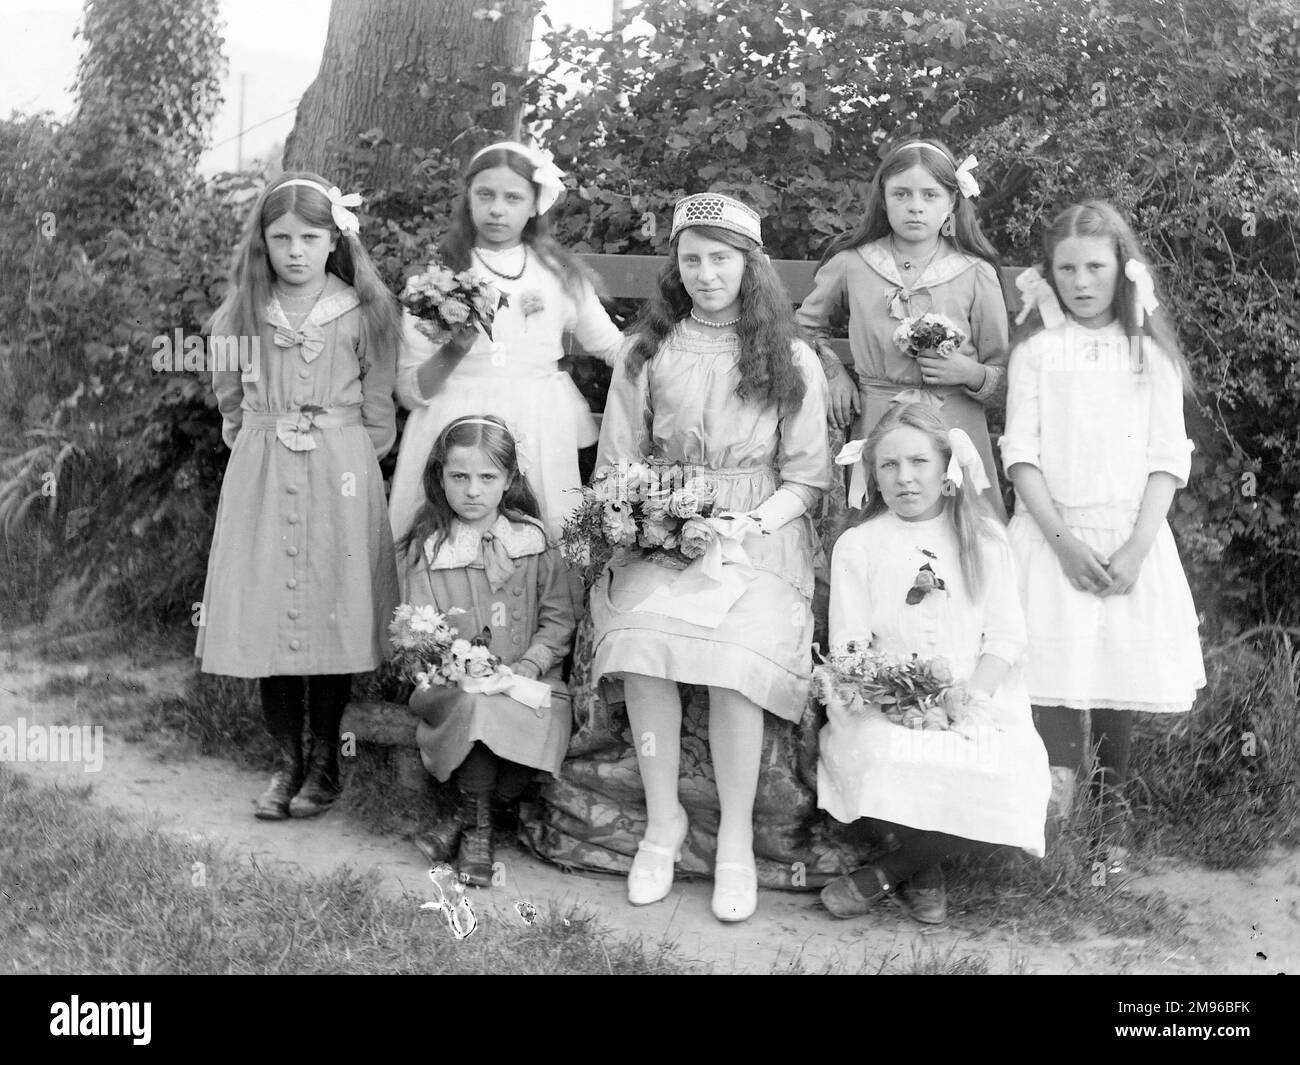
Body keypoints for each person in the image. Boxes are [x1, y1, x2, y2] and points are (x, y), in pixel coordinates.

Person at [557, 192, 834, 924]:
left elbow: (807, 478)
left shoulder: (789, 356)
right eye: (692, 259)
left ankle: (736, 839)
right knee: (643, 643)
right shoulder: (648, 352)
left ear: (752, 266)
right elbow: (617, 464)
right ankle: (661, 822)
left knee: (736, 655)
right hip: (663, 527)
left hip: (760, 533)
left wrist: (747, 523)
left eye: (722, 259)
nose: (707, 273)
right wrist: (644, 518)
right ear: (675, 268)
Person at [999, 201, 1205, 868]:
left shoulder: (1149, 355)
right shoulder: (1036, 352)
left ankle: (1113, 817)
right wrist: (1060, 540)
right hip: (1052, 534)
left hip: (1127, 536)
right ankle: (1057, 816)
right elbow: (1020, 454)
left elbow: (1167, 457)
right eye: (1067, 268)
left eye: (1095, 266)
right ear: (1049, 274)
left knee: (1116, 672)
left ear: (1122, 268)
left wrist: (1138, 546)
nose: (1082, 281)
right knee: (1055, 671)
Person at [196, 172, 402, 820]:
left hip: (339, 472)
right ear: (261, 242)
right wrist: (264, 437)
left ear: (332, 238)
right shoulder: (239, 314)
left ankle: (325, 761)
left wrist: (338, 457)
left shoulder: (364, 310)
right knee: (269, 611)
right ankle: (285, 760)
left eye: (309, 237)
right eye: (280, 237)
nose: (294, 251)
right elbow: (230, 405)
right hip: (262, 468)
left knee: (328, 609)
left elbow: (378, 416)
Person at [817, 402, 1050, 924]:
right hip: (884, 694)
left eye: (919, 463)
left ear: (945, 466)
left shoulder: (984, 540)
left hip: (975, 689)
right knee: (889, 753)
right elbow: (851, 647)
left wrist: (970, 697)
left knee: (1000, 763)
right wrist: (896, 699)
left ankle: (899, 867)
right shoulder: (859, 545)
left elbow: (1006, 637)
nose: (904, 479)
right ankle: (923, 867)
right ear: (872, 475)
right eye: (889, 466)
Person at [388, 141, 625, 545]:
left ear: (535, 204)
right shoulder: (437, 279)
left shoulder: (559, 275)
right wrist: (455, 348)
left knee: (541, 540)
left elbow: (612, 347)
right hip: (453, 421)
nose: (498, 209)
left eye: (513, 197)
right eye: (485, 195)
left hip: (537, 423)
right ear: (469, 199)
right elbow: (411, 392)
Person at [396, 415, 575, 887]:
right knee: (477, 708)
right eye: (459, 477)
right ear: (441, 478)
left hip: (528, 678)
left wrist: (530, 664)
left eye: (487, 478)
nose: (472, 491)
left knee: (532, 718)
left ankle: (463, 818)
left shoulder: (533, 542)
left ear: (509, 480)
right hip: (454, 685)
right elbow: (421, 631)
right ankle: (479, 837)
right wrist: (456, 667)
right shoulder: (432, 549)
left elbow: (558, 620)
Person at [796, 139, 1010, 518]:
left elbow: (1001, 375)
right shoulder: (854, 262)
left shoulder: (976, 273)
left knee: (960, 529)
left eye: (930, 194)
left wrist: (969, 372)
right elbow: (802, 329)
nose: (915, 205)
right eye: (901, 194)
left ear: (952, 203)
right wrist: (834, 374)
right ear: (883, 199)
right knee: (878, 523)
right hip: (880, 415)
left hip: (954, 422)